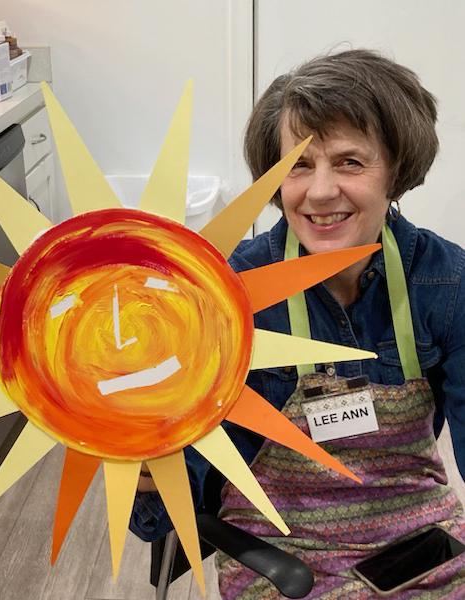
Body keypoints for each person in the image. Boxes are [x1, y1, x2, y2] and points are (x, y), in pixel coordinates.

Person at [131, 49, 465, 598]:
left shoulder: (445, 283)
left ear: (397, 171)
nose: (321, 191)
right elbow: (177, 498)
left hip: (420, 541)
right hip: (280, 554)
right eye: (299, 165)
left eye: (350, 162)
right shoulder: (228, 295)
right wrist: (146, 465)